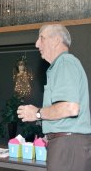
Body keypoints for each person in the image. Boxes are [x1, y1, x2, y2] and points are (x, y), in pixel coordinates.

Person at [17, 24, 91, 171]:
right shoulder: (61, 65)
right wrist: (50, 134)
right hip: (67, 144)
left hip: (67, 147)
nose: (37, 44)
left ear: (56, 40)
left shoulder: (65, 63)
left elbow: (70, 108)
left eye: (41, 38)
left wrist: (37, 113)